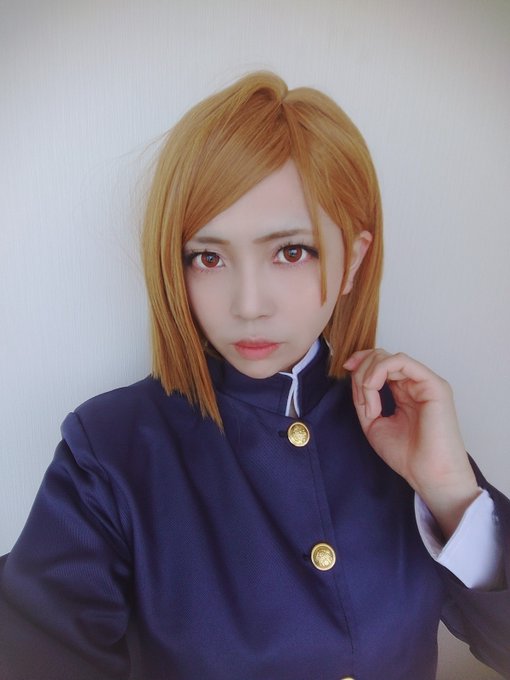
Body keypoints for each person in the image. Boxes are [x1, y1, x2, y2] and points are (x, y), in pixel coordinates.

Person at [0, 72, 508, 680]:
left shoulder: (403, 426)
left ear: (354, 261)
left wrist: (451, 493)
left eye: (291, 251)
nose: (247, 305)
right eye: (208, 257)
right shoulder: (109, 451)